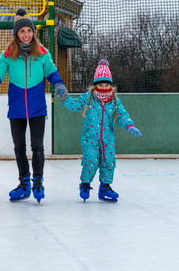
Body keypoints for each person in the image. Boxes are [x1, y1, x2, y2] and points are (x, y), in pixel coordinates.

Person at [0, 8, 68, 203]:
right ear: (16, 34)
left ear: (33, 33)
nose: (26, 35)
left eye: (29, 31)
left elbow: (52, 73)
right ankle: (24, 184)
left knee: (37, 146)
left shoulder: (43, 53)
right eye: (22, 31)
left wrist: (59, 85)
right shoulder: (8, 54)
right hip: (17, 107)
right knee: (19, 147)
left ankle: (38, 182)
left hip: (37, 106)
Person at [59, 59, 142, 202]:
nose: (103, 87)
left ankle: (105, 187)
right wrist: (65, 98)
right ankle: (85, 184)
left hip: (107, 139)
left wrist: (129, 125)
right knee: (90, 160)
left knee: (108, 161)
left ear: (110, 85)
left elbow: (122, 115)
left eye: (106, 84)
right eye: (100, 84)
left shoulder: (115, 101)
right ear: (95, 85)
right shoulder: (88, 98)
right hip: (90, 138)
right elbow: (75, 105)